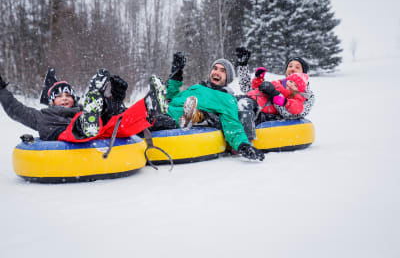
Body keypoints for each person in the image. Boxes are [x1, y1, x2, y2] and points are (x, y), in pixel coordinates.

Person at [0, 68, 168, 142]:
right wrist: (1, 90)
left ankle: (148, 106)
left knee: (116, 124)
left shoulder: (80, 110)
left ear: (74, 98)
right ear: (51, 102)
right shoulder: (42, 116)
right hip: (65, 134)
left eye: (68, 95)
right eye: (58, 96)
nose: (64, 98)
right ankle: (88, 120)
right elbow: (15, 109)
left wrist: (117, 95)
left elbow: (114, 112)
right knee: (77, 127)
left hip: (93, 127)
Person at [164, 52, 264, 161]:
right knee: (158, 105)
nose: (217, 72)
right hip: (168, 108)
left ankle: (190, 117)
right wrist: (176, 74)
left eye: (222, 71)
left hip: (177, 116)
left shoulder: (227, 99)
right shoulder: (196, 87)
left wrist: (243, 146)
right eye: (215, 68)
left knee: (167, 117)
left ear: (228, 78)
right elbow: (172, 98)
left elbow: (232, 125)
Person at [234, 48, 315, 140]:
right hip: (254, 106)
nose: (292, 69)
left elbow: (294, 114)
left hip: (267, 117)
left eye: (297, 67)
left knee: (244, 106)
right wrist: (243, 66)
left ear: (303, 74)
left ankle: (245, 141)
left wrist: (274, 95)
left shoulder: (307, 95)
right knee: (230, 101)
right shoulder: (279, 83)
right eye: (290, 66)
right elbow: (248, 90)